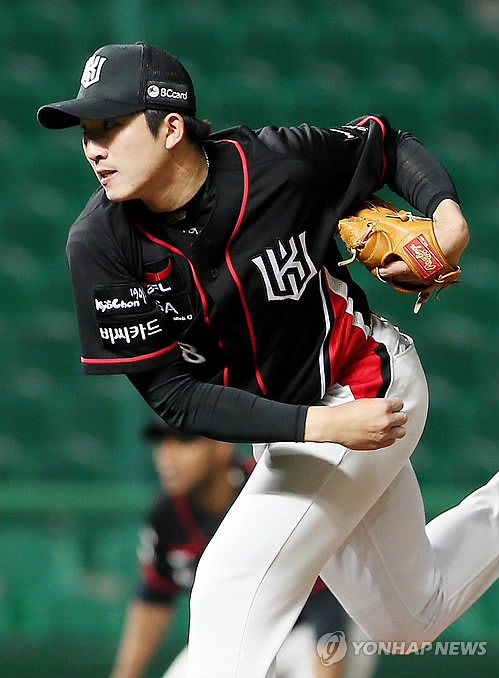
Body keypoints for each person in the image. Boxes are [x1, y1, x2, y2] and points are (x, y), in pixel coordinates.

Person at [37, 42, 498, 678]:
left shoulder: (276, 165)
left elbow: (386, 144)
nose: (94, 147)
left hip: (365, 383)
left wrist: (448, 218)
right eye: (87, 131)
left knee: (230, 584)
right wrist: (316, 427)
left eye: (111, 125)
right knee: (410, 620)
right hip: (309, 425)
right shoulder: (101, 243)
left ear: (171, 128)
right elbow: (175, 397)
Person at [110, 420, 368, 678]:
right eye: (163, 443)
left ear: (221, 447)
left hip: (315, 629)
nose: (167, 456)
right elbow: (154, 598)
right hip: (239, 632)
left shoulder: (275, 493)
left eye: (185, 441)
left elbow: (327, 600)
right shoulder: (167, 514)